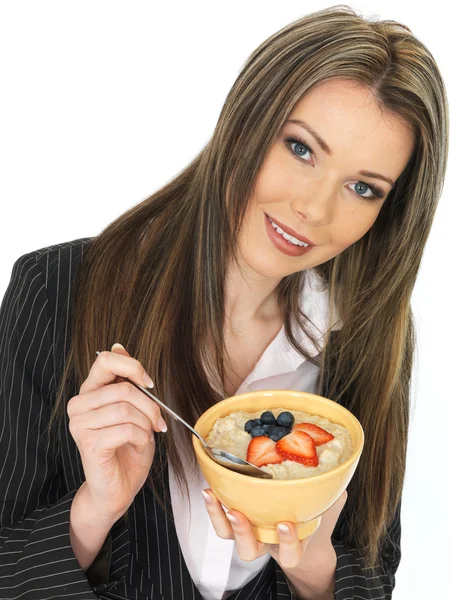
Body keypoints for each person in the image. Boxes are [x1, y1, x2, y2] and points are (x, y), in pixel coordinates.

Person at [0, 5, 447, 600]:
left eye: (363, 188)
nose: (314, 209)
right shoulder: (55, 289)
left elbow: (373, 572)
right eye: (301, 148)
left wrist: (313, 567)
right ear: (245, 121)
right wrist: (93, 509)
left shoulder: (366, 335)